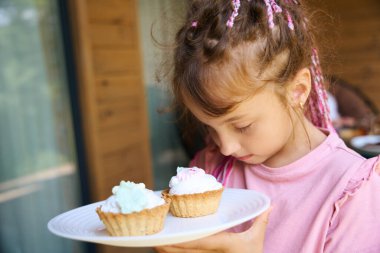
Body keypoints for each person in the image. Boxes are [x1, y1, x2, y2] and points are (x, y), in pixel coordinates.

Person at [156, 0, 380, 252]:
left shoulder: (351, 191)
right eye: (210, 127)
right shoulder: (210, 170)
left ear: (297, 91)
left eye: (242, 125)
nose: (226, 147)